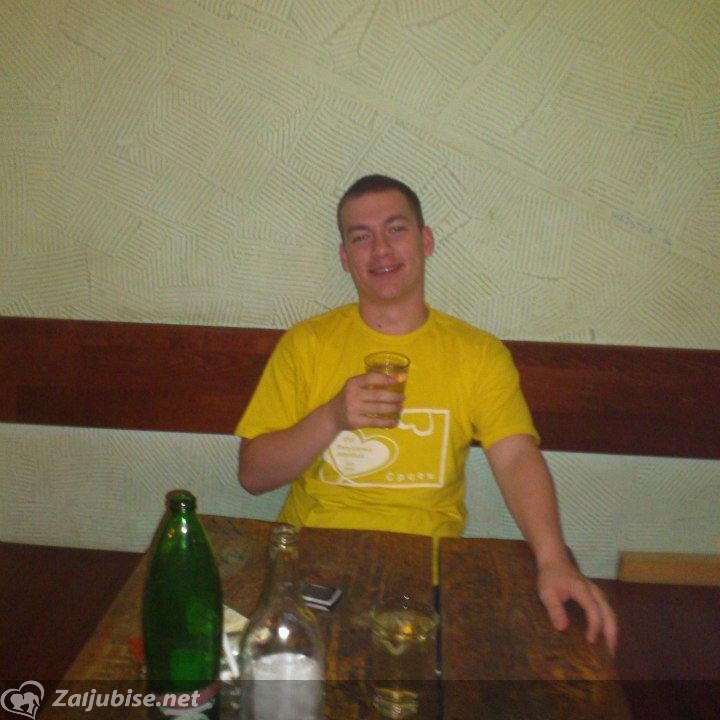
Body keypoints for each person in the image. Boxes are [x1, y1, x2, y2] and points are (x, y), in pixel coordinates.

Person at [236, 174, 617, 653]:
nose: (380, 249)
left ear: (426, 241)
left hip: (428, 573)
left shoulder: (478, 354)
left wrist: (553, 559)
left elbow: (516, 457)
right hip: (313, 565)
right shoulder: (305, 345)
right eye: (361, 237)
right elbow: (253, 475)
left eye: (396, 229)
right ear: (345, 257)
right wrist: (331, 417)